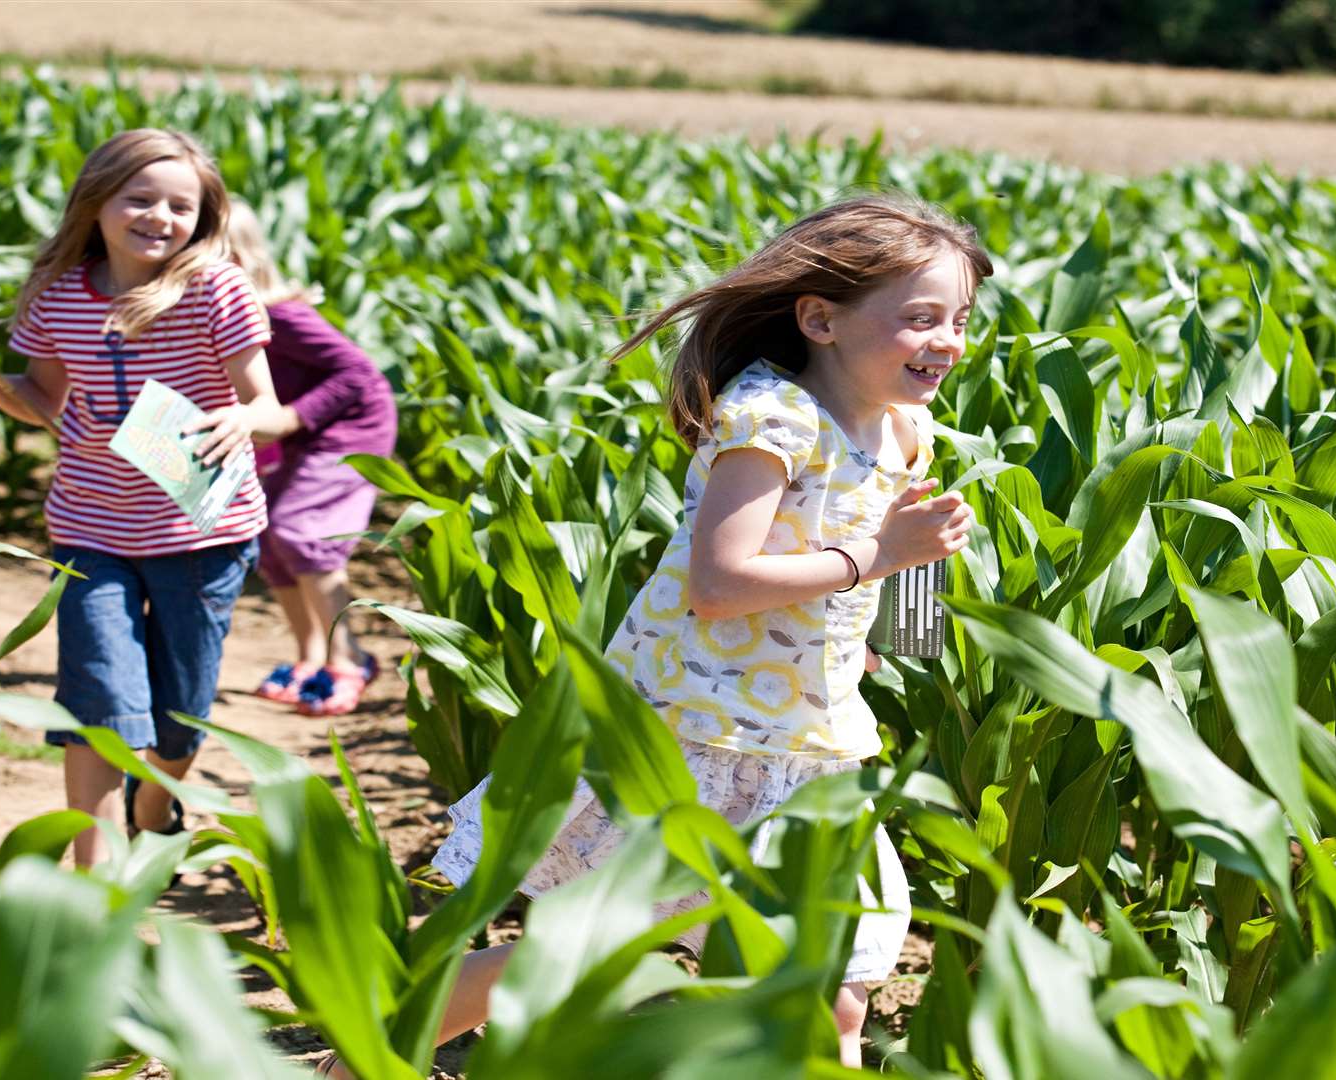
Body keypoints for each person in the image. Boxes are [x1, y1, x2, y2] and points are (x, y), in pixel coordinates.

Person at [320, 192, 986, 1075]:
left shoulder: (909, 430)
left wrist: (892, 624)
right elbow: (720, 583)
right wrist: (874, 555)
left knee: (833, 994)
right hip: (694, 736)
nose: (947, 341)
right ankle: (362, 1053)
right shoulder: (771, 418)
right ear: (820, 318)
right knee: (580, 955)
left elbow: (899, 559)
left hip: (809, 746)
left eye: (960, 321)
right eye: (921, 319)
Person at [0, 129, 298, 869]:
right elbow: (43, 399)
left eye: (181, 205)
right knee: (98, 703)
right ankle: (93, 880)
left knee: (180, 718)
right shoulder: (57, 298)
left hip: (201, 529)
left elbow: (265, 404)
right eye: (140, 199)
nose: (159, 217)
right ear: (97, 204)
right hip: (91, 525)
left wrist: (240, 418)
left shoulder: (216, 289)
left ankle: (157, 796)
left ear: (203, 217)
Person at [227, 199, 398, 716]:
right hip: (290, 434)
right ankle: (310, 656)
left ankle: (349, 658)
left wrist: (293, 418)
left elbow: (359, 374)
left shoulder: (280, 314)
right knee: (270, 538)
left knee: (301, 529)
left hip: (349, 430)